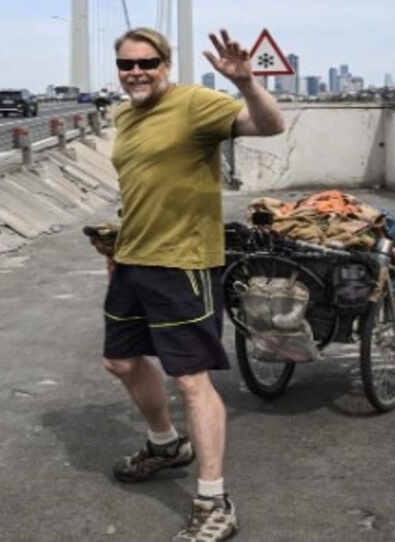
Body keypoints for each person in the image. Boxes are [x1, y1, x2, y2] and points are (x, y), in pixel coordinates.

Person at [103, 27, 284, 541]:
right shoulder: (124, 114)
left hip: (183, 263)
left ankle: (214, 501)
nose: (136, 72)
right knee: (120, 361)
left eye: (147, 62)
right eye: (126, 65)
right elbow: (139, 186)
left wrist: (247, 84)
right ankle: (165, 445)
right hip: (133, 259)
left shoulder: (194, 105)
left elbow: (269, 125)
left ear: (165, 63)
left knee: (190, 379)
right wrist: (116, 246)